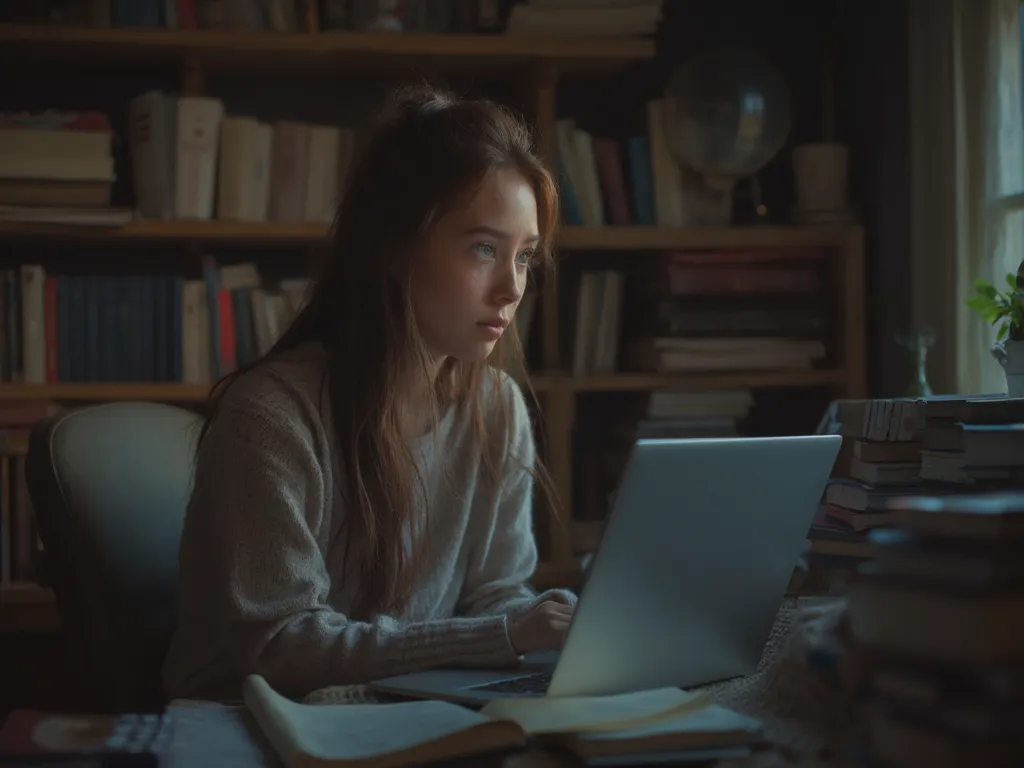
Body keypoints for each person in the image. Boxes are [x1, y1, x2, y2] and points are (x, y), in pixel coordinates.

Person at [162, 85, 578, 702]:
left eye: (524, 258)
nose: (511, 289)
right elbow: (279, 644)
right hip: (250, 721)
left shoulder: (497, 407)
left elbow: (495, 595)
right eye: (485, 249)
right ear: (394, 248)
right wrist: (503, 634)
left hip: (405, 706)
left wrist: (552, 622)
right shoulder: (272, 417)